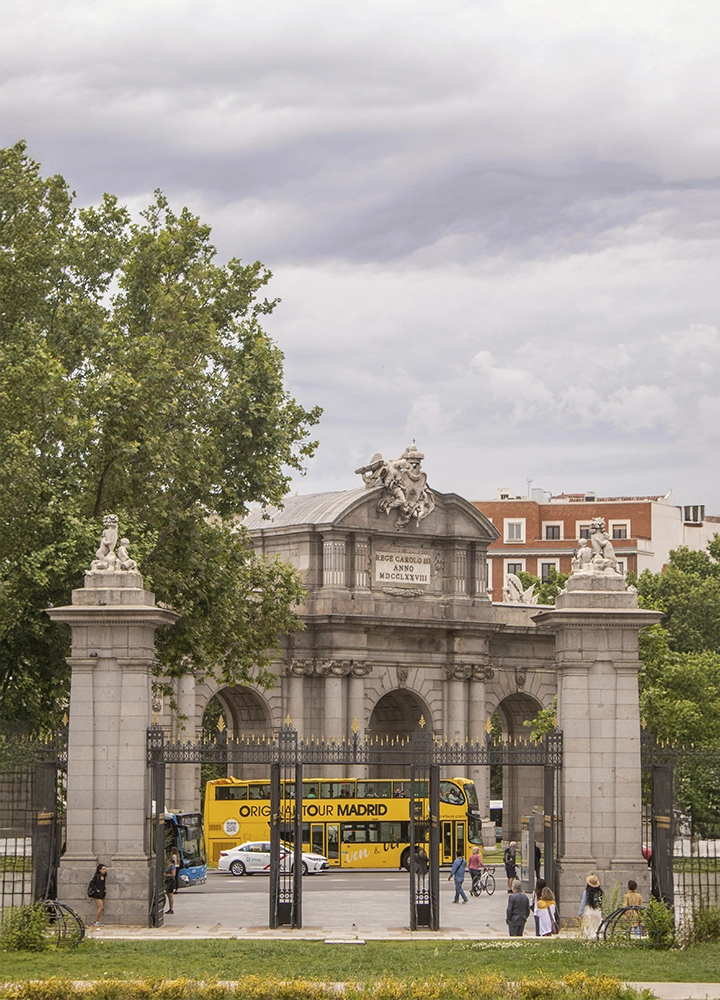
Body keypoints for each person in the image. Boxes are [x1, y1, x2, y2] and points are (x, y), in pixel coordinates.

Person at [579, 874, 604, 938]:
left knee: (589, 929)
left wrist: (580, 913)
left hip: (589, 911)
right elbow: (602, 904)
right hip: (598, 911)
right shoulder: (600, 893)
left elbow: (584, 903)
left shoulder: (586, 892)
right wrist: (603, 913)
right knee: (597, 928)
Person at [164, 848, 180, 915]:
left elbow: (173, 874)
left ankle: (171, 909)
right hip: (166, 881)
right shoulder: (166, 866)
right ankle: (170, 909)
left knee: (170, 895)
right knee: (168, 895)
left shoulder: (172, 866)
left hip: (170, 881)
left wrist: (166, 874)